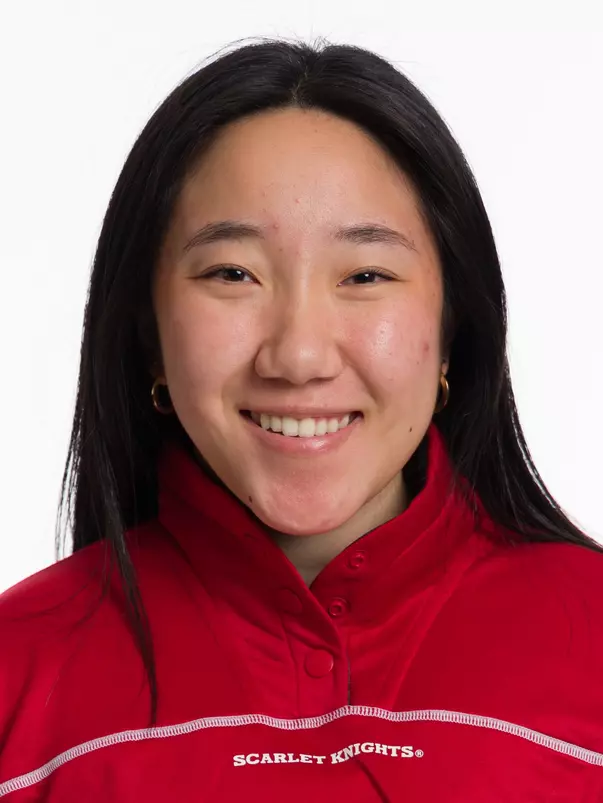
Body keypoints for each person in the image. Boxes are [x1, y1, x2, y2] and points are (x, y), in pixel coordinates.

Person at [1, 38, 602, 802]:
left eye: (365, 274)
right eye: (232, 273)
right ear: (147, 332)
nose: (299, 354)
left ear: (452, 328)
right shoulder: (16, 669)